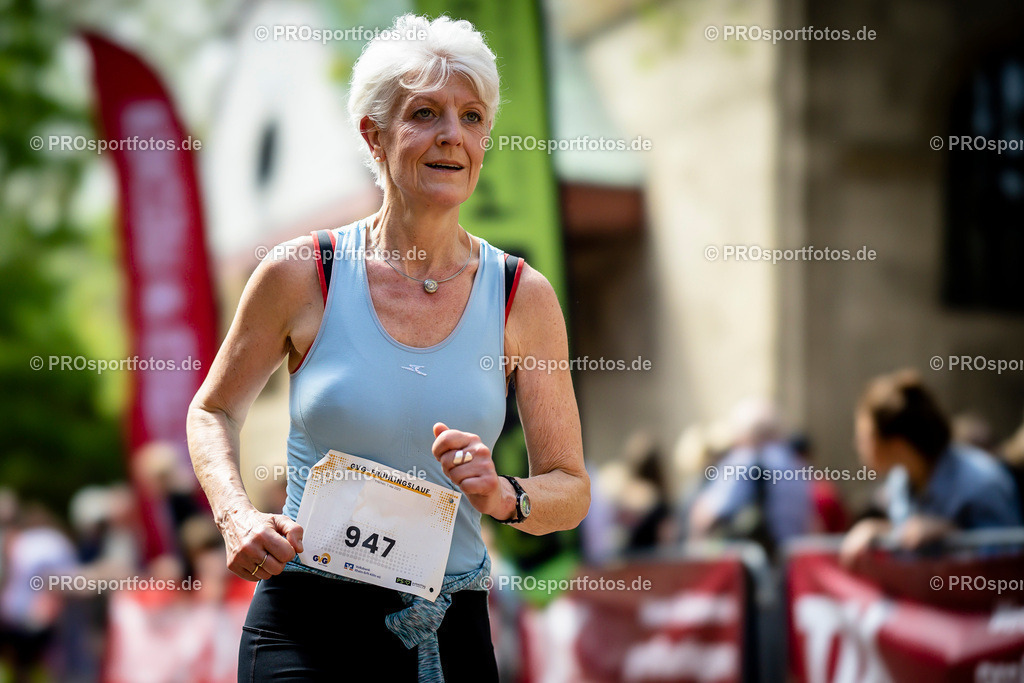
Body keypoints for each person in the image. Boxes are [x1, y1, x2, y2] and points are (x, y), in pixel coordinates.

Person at [186, 14, 589, 682]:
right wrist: (234, 516)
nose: (452, 135)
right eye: (425, 113)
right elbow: (212, 411)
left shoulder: (522, 295)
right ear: (373, 134)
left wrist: (502, 494)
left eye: (471, 117)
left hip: (444, 628)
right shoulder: (301, 273)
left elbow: (570, 488)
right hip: (305, 622)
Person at [841, 370, 1022, 564]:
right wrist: (881, 531)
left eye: (866, 437)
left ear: (898, 445)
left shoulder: (982, 482)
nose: (858, 446)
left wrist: (952, 535)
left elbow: (1007, 561)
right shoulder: (900, 482)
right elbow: (908, 541)